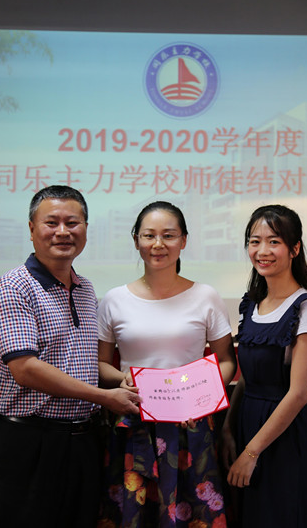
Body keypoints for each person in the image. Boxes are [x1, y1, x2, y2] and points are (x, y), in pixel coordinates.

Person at [0, 185, 141, 528]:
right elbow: (25, 369)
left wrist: (124, 380)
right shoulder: (13, 287)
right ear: (31, 229)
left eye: (72, 222)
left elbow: (81, 363)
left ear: (86, 228)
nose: (63, 232)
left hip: (83, 441)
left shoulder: (84, 288)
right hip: (30, 442)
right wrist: (104, 397)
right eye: (51, 222)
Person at [96, 201, 237, 528]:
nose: (158, 244)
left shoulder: (206, 296)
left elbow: (226, 361)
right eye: (149, 235)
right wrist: (122, 379)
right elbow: (100, 365)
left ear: (183, 241)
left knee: (193, 514)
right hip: (134, 422)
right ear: (136, 240)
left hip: (191, 425)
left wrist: (202, 399)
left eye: (169, 235)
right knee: (133, 515)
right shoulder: (114, 299)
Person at [222, 204, 307, 528]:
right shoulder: (252, 304)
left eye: (274, 242)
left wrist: (251, 453)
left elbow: (298, 395)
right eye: (254, 242)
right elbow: (247, 378)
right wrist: (228, 428)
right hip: (247, 425)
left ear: (295, 249)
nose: (262, 251)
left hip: (281, 437)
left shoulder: (305, 309)